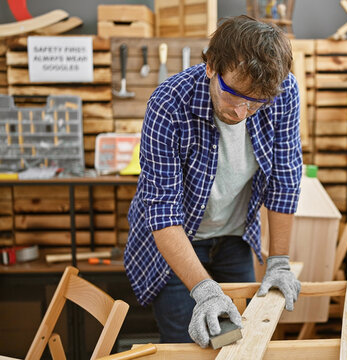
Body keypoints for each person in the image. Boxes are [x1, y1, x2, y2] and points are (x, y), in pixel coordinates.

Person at [124, 15, 302, 347]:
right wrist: (204, 291)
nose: (241, 112)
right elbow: (162, 212)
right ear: (211, 67)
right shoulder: (169, 104)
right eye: (234, 95)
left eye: (256, 103)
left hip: (235, 239)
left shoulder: (283, 92)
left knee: (239, 342)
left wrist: (279, 260)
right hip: (179, 243)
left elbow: (285, 178)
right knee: (187, 347)